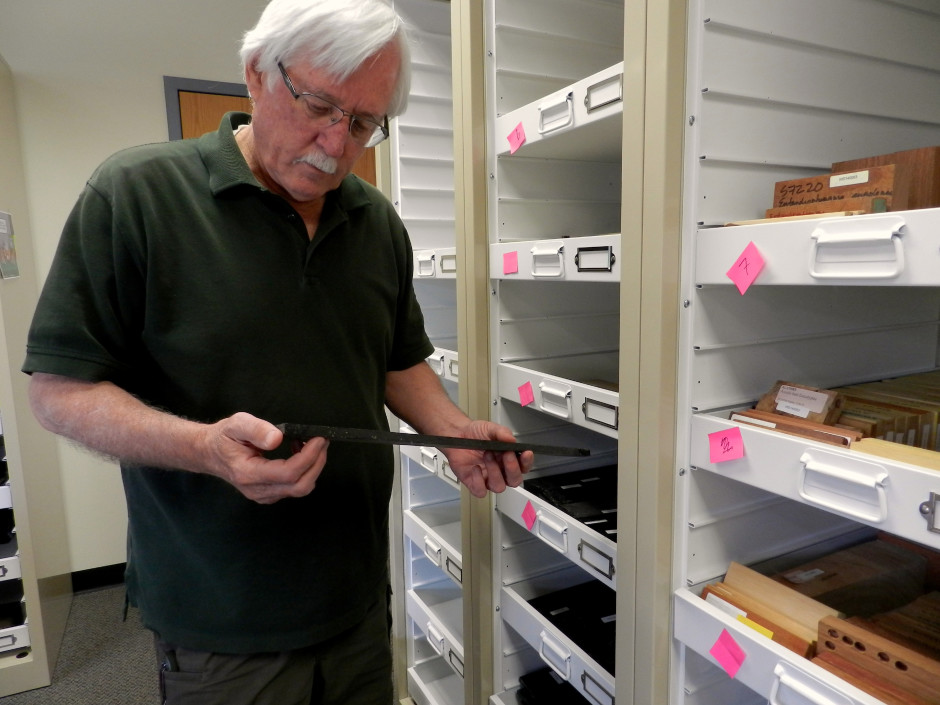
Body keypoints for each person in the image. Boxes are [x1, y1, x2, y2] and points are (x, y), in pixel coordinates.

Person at [22, 1, 533, 703]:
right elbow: (58, 392)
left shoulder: (376, 221)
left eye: (361, 123)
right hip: (221, 617)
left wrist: (451, 432)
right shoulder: (135, 195)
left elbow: (393, 359)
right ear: (258, 73)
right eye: (319, 105)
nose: (334, 142)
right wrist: (205, 447)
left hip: (355, 598)